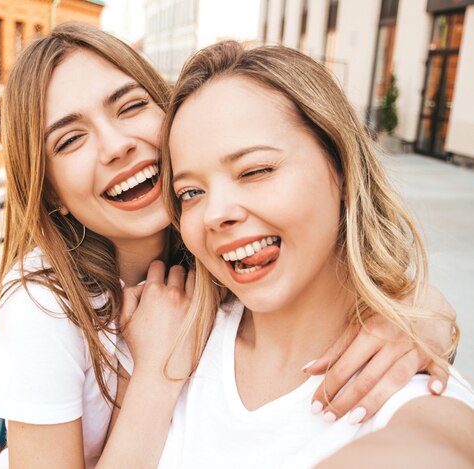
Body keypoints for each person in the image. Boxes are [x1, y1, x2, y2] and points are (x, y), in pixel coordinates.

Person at [0, 23, 457, 468]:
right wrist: (157, 374)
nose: (115, 145)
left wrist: (420, 316)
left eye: (132, 105)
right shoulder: (45, 306)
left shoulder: (209, 265)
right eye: (70, 140)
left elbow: (434, 436)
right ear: (52, 193)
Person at [144, 41, 473, 468]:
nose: (215, 213)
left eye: (256, 170)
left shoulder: (410, 384)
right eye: (191, 192)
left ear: (339, 165)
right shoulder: (167, 335)